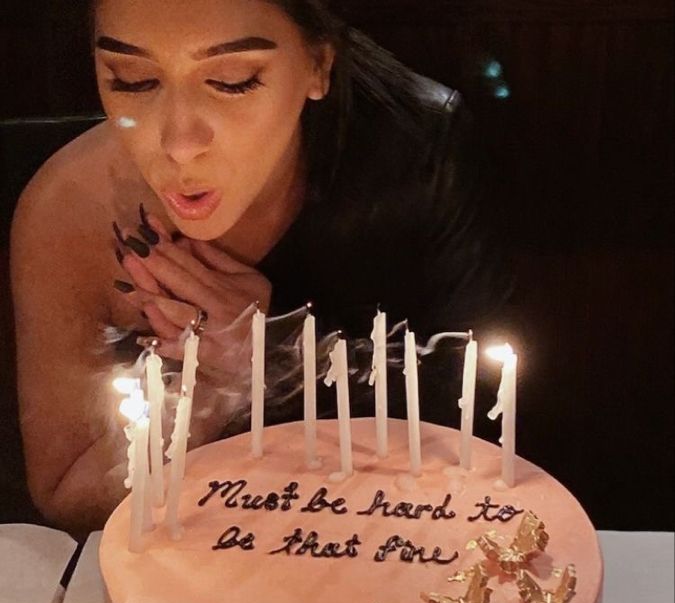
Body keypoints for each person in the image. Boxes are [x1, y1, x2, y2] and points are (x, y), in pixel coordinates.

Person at [11, 0, 511, 537]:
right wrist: (209, 393)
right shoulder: (72, 210)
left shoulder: (417, 158)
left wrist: (277, 362)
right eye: (132, 80)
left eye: (233, 80)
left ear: (318, 66)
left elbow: (477, 434)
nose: (178, 143)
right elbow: (65, 497)